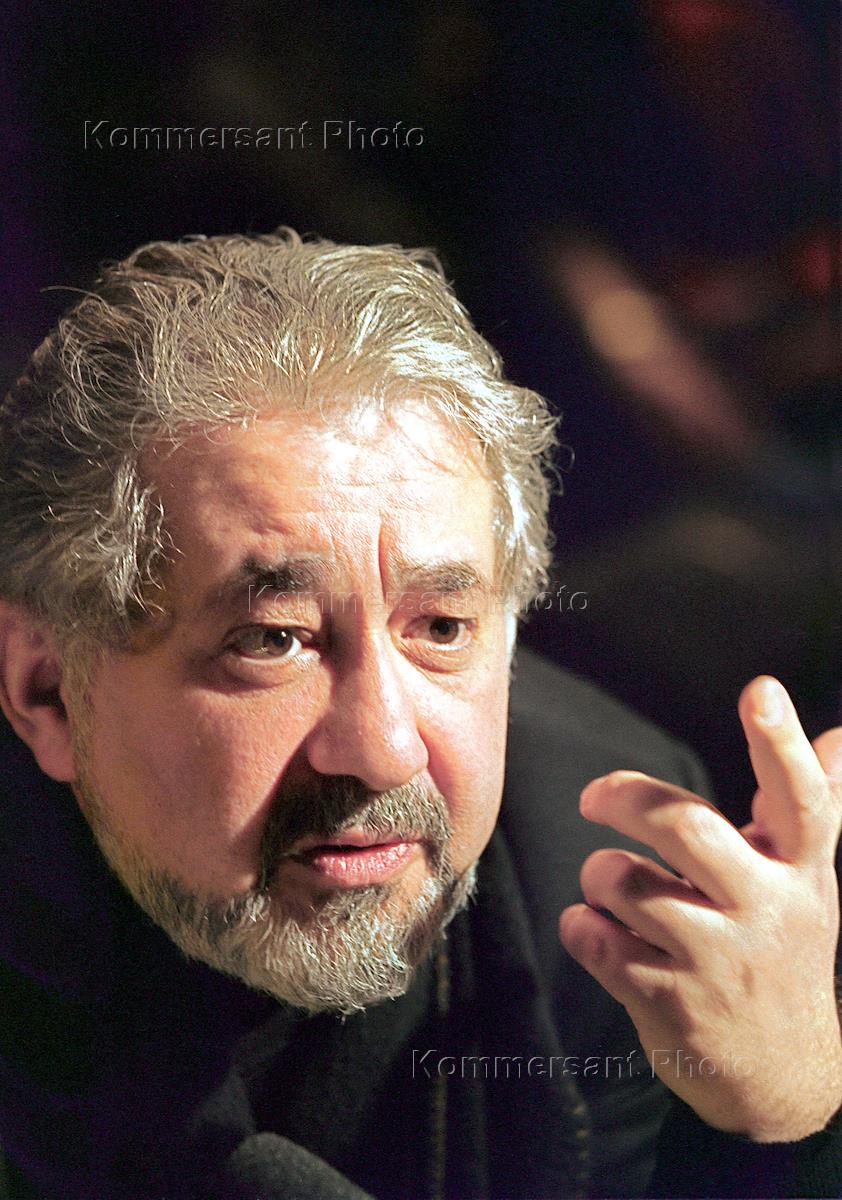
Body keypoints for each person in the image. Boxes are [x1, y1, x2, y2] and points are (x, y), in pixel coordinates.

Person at [0, 229, 839, 1200]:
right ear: (47, 691)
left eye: (440, 627)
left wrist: (783, 1117)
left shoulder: (604, 878)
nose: (386, 748)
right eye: (272, 639)